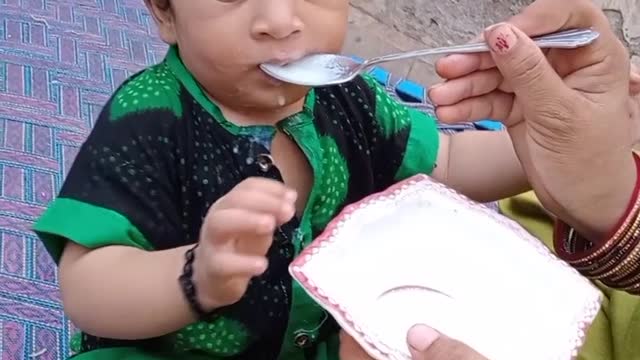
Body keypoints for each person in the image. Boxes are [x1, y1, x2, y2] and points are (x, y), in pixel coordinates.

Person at [31, 0, 535, 359]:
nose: (278, 20)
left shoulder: (349, 96)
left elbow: (445, 162)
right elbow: (88, 284)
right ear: (166, 11)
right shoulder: (147, 119)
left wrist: (553, 142)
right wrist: (195, 276)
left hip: (312, 336)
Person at [341, 0, 640, 359]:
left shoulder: (351, 109)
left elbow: (447, 161)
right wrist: (600, 179)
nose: (279, 21)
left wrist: (584, 153)